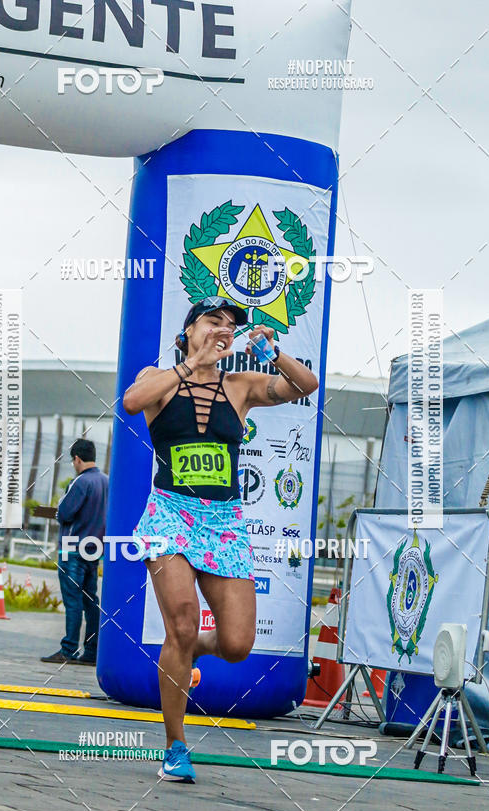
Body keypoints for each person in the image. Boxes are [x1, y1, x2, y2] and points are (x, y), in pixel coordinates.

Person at [123, 295, 319, 782]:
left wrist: (273, 353)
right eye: (213, 320)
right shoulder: (159, 378)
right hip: (170, 513)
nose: (223, 329)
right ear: (189, 331)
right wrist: (192, 364)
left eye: (230, 324)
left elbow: (305, 385)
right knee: (182, 623)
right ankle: (175, 746)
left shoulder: (239, 385)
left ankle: (188, 652)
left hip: (223, 521)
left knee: (236, 644)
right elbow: (131, 402)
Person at [41, 438, 109, 666]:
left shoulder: (80, 482)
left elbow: (65, 513)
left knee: (73, 601)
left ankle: (68, 649)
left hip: (72, 549)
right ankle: (92, 651)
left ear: (77, 459)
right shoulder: (106, 481)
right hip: (95, 550)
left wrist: (59, 509)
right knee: (91, 601)